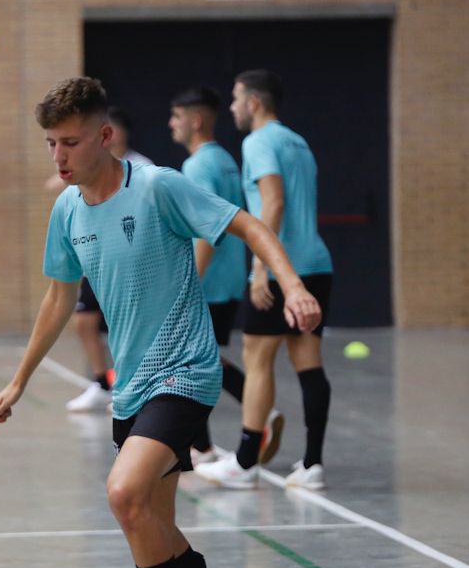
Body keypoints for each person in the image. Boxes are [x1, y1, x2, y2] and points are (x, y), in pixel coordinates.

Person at [0, 77, 321, 568]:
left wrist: (293, 285)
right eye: (50, 145)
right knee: (152, 525)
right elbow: (60, 296)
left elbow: (246, 224)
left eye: (70, 142)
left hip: (185, 372)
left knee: (123, 494)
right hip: (133, 385)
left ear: (105, 137)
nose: (58, 157)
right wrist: (19, 379)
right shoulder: (67, 210)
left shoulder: (159, 186)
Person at [195, 70, 332, 490]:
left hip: (281, 268)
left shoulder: (258, 142)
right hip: (317, 263)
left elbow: (272, 202)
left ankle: (245, 461)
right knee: (307, 361)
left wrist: (260, 268)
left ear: (254, 103)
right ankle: (312, 464)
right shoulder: (298, 141)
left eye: (236, 100)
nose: (233, 109)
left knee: (256, 357)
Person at [168, 86, 267, 466]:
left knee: (188, 362)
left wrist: (188, 279)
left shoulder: (198, 166)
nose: (170, 125)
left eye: (176, 117)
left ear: (195, 121)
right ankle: (249, 416)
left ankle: (205, 447)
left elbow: (208, 225)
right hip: (228, 278)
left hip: (205, 282)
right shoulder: (226, 160)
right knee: (200, 358)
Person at [64, 106, 154, 412]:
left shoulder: (142, 168)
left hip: (131, 263)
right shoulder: (92, 168)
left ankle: (135, 387)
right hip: (98, 260)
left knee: (128, 329)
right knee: (84, 321)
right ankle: (103, 383)